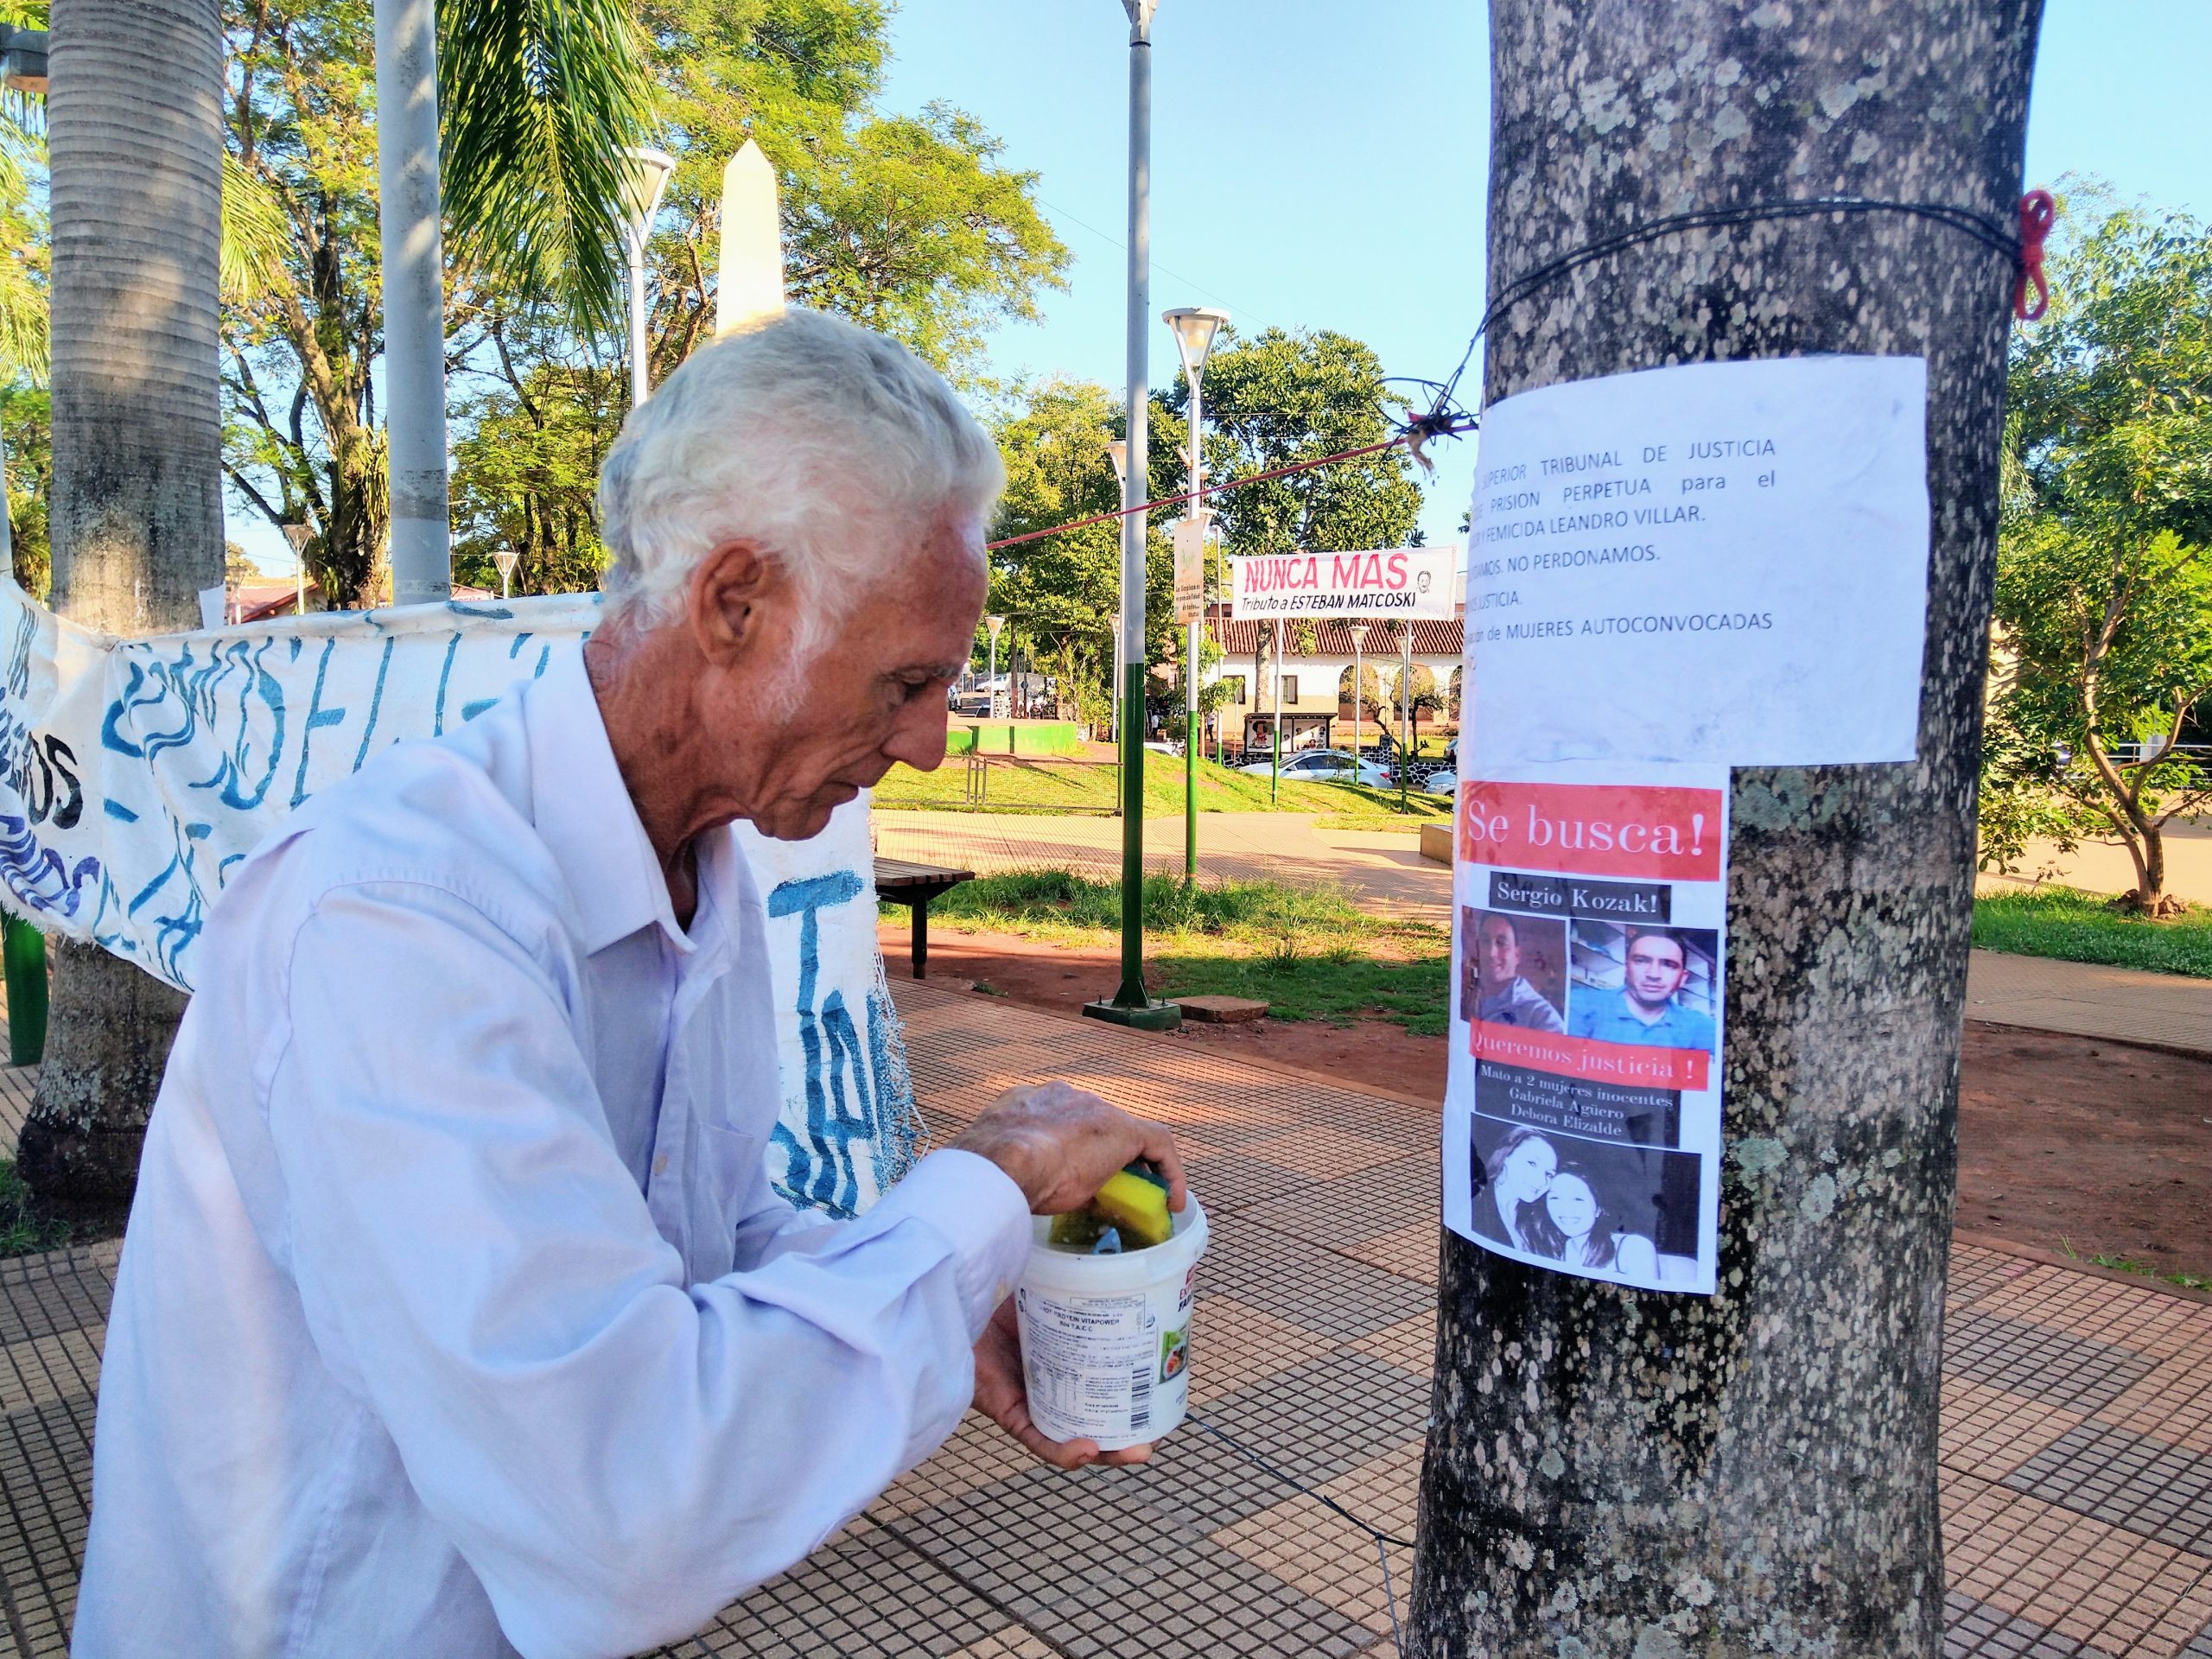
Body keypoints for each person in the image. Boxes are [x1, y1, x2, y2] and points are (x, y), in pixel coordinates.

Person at [73, 309, 1189, 1659]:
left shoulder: (698, 868)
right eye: (906, 681)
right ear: (733, 603)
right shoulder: (400, 921)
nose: (933, 743)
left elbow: (694, 1239)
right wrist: (990, 1184)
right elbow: (617, 1514)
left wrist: (955, 1291)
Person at [1570, 926, 1717, 1052]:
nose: (1653, 974)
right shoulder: (1580, 1005)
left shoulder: (1702, 1028)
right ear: (1627, 969)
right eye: (1641, 961)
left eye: (1668, 965)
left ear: (1683, 978)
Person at [1522, 1163, 1659, 1281]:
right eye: (1555, 1198)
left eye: (1578, 1199)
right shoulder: (1551, 1250)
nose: (1565, 1209)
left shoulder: (1633, 1248)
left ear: (1599, 1208)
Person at [1470, 912, 1566, 1033]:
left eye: (1501, 943)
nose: (1491, 953)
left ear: (1517, 955)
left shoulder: (1541, 1016)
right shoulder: (1469, 994)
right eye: (1485, 941)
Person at [1468, 1126, 1556, 1251]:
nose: (1541, 1181)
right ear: (1506, 1155)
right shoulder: (1475, 1202)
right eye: (1532, 1163)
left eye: (1549, 1174)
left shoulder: (1540, 1223)